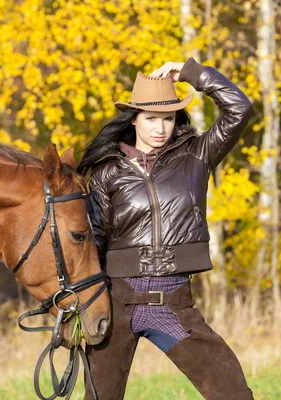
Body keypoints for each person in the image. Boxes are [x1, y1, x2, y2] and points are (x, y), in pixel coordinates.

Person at [77, 57, 254, 400]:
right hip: (117, 304)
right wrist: (84, 303)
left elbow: (239, 109)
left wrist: (190, 73)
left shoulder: (196, 155)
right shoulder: (106, 173)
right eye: (152, 119)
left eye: (169, 119)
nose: (161, 128)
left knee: (234, 394)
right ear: (134, 119)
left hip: (174, 304)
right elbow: (94, 244)